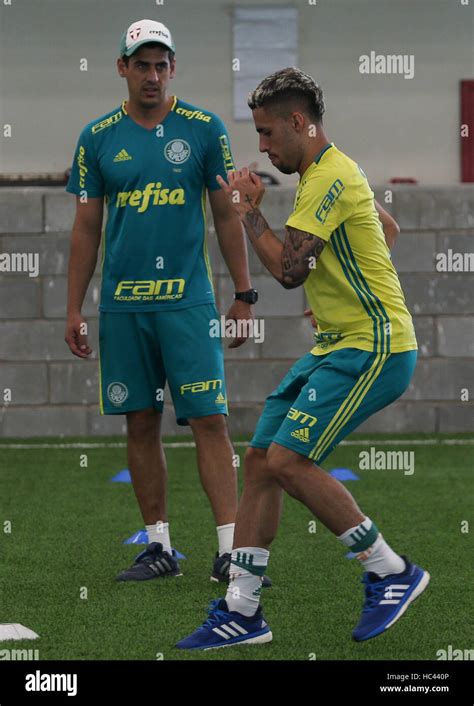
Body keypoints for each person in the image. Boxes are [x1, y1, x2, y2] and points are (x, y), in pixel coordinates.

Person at [177, 67, 429, 649]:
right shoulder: (335, 172)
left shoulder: (327, 177)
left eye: (267, 133)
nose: (262, 147)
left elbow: (290, 273)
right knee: (263, 458)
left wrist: (248, 211)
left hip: (375, 347)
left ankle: (391, 571)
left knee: (289, 461)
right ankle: (241, 609)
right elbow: (384, 229)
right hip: (339, 343)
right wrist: (342, 289)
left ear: (298, 122)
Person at [65, 19, 258, 584]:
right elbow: (85, 229)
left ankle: (231, 550)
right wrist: (74, 308)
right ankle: (158, 548)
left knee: (210, 422)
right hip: (124, 308)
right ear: (122, 68)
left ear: (172, 69)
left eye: (161, 64)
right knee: (140, 422)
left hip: (188, 305)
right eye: (140, 64)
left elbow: (228, 214)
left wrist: (244, 295)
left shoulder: (204, 129)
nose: (151, 75)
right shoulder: (96, 138)